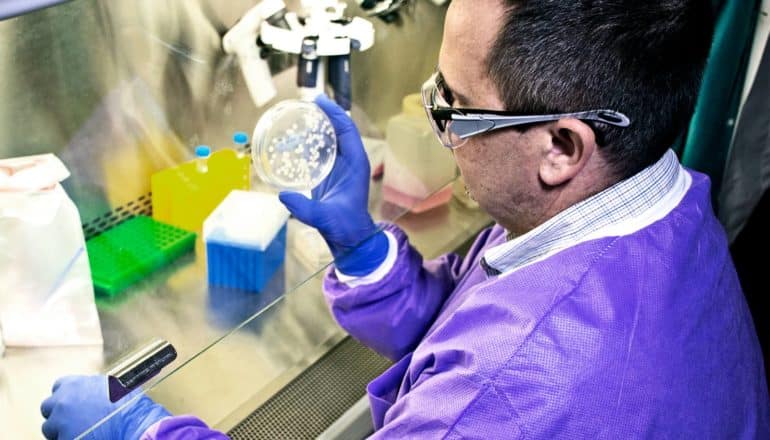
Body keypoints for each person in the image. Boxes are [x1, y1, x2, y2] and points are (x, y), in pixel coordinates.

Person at [41, 0, 769, 438]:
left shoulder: (519, 389)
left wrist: (138, 431)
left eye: (452, 105)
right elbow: (462, 319)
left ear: (561, 146)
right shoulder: (654, 207)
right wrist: (360, 246)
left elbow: (496, 368)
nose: (436, 123)